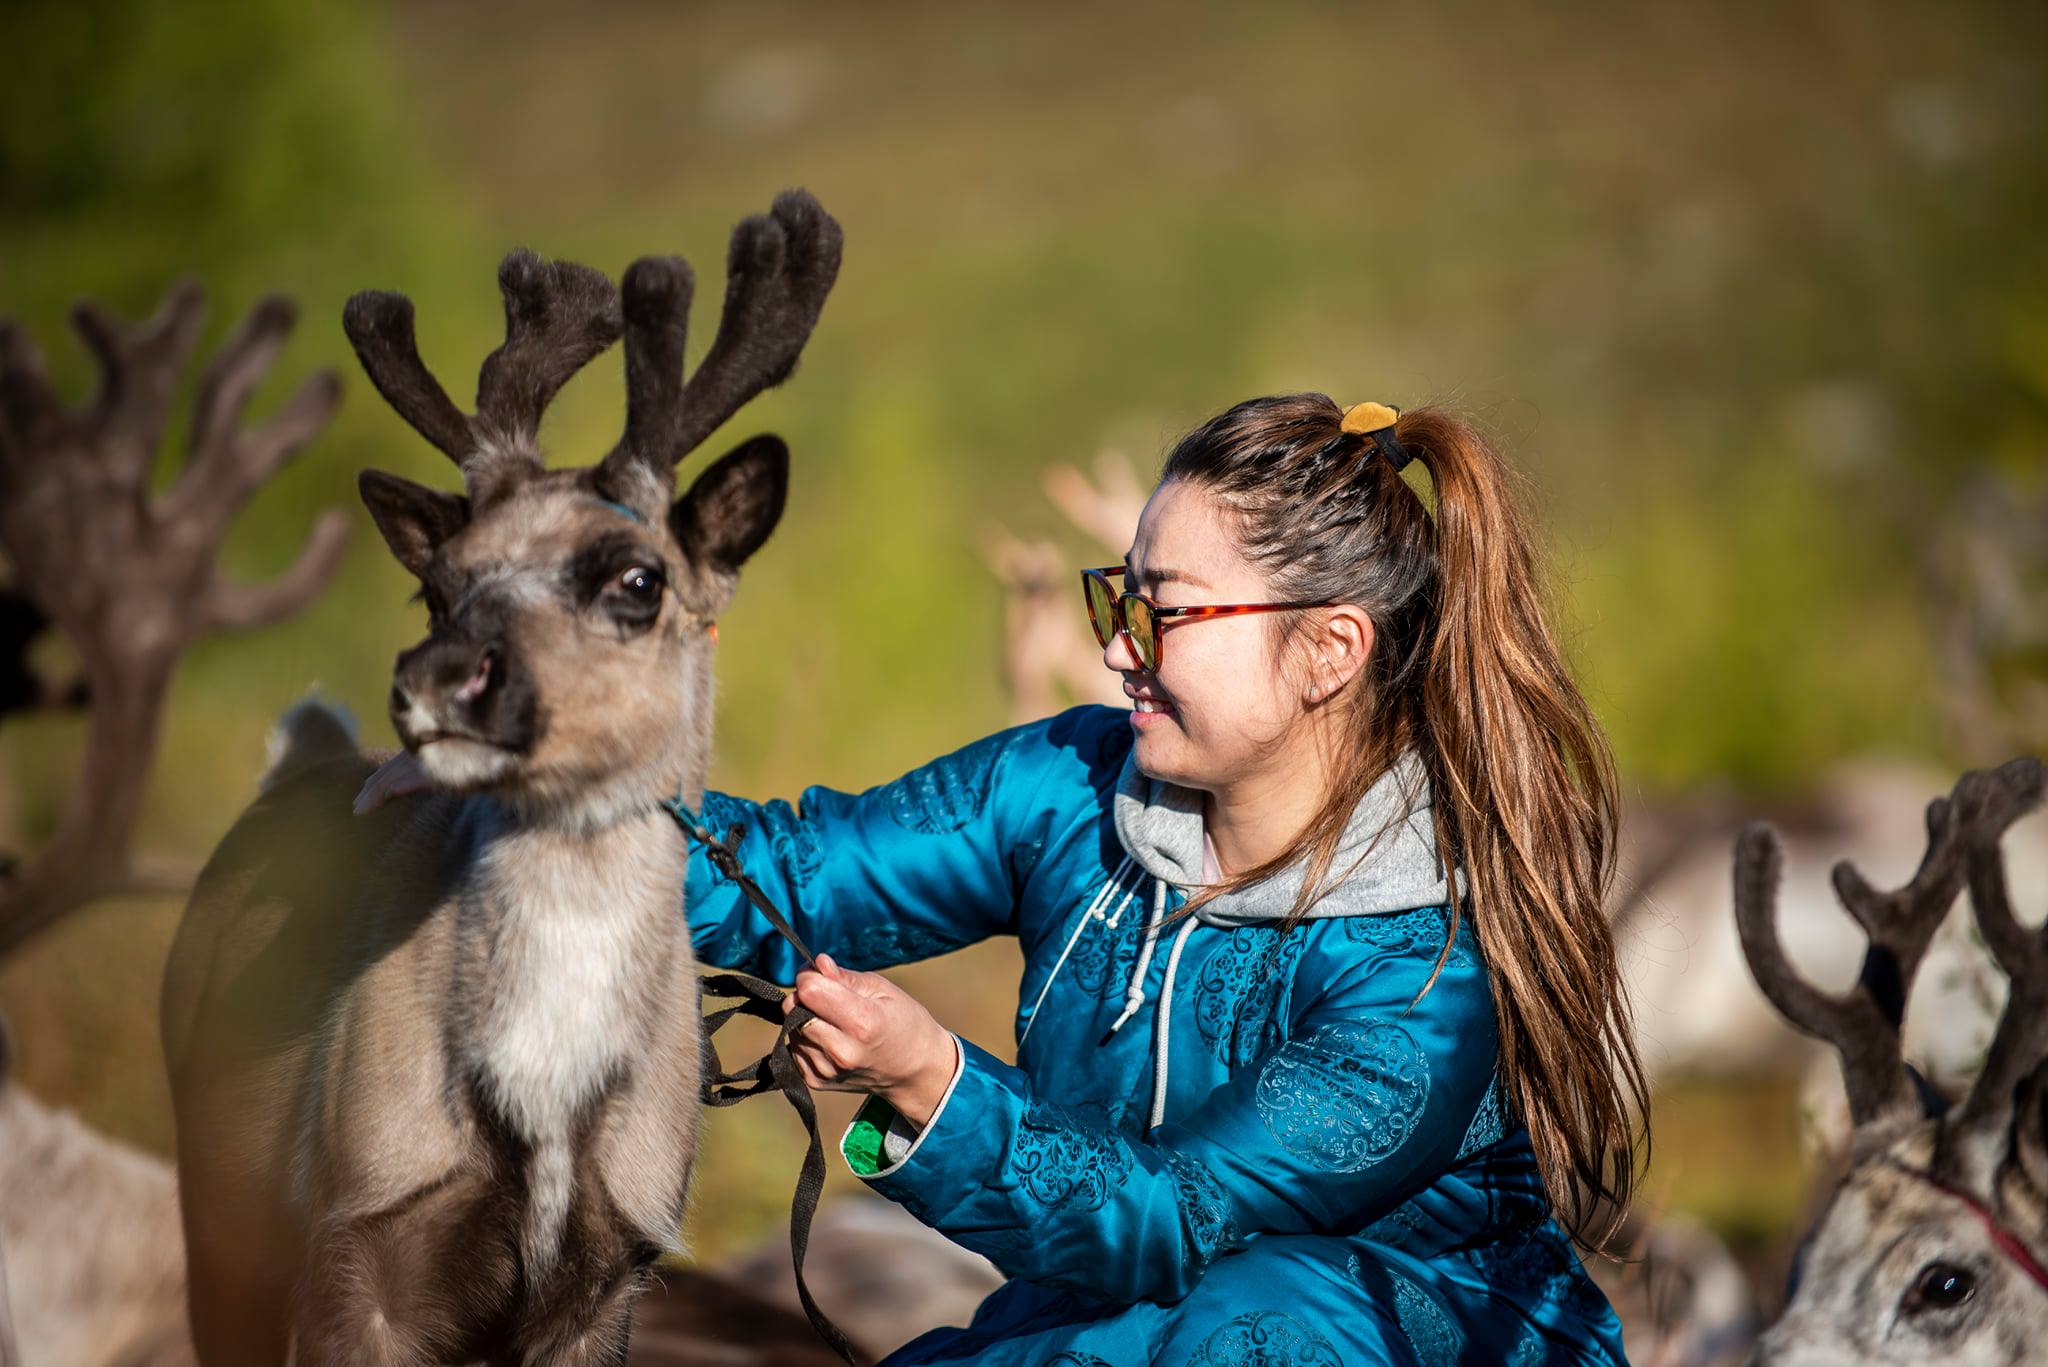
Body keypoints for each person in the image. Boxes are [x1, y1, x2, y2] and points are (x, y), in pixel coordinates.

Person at [361, 394, 1645, 1365]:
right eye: (1116, 597)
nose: (1116, 649)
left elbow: (1170, 1218)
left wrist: (929, 1080)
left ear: (1326, 652)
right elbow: (800, 871)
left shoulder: (1425, 968)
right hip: (1111, 1317)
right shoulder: (1068, 787)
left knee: (1244, 1326)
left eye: (1166, 613)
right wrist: (539, 784)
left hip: (1389, 1335)